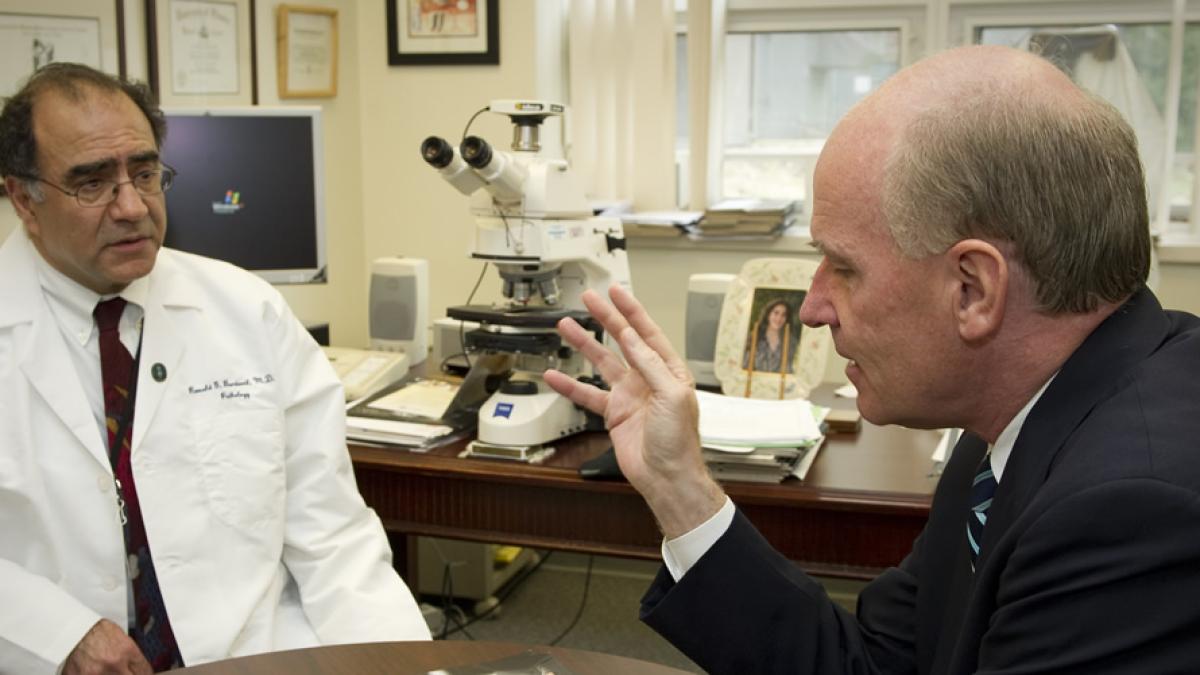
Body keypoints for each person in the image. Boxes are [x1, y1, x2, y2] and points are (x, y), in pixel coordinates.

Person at [543, 44, 1200, 673]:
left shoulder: (1129, 510)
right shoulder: (1013, 422)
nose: (812, 307)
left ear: (974, 288)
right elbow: (876, 664)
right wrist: (676, 482)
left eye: (845, 267)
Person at [0, 63, 429, 674]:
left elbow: (330, 532)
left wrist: (407, 666)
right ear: (24, 199)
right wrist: (59, 632)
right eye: (92, 183)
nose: (132, 207)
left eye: (145, 174)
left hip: (254, 657)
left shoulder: (245, 310)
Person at [741, 298, 793, 374]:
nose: (779, 318)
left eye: (783, 315)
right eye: (776, 313)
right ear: (768, 314)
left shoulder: (790, 342)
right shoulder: (753, 337)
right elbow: (743, 367)